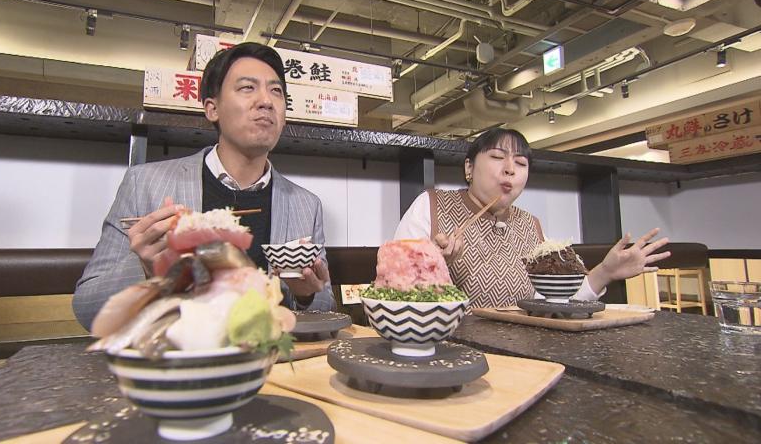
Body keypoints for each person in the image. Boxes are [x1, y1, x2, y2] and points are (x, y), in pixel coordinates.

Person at [73, 42, 335, 331]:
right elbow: (88, 307)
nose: (266, 101)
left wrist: (306, 296)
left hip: (270, 354)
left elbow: (326, 308)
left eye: (276, 91)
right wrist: (146, 269)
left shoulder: (305, 205)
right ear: (212, 108)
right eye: (247, 88)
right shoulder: (145, 184)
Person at [394, 128, 670, 308]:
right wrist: (436, 266)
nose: (510, 169)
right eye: (497, 157)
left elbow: (554, 303)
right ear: (469, 167)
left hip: (525, 356)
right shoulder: (431, 206)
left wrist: (605, 272)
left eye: (521, 163)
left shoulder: (531, 225)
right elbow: (396, 291)